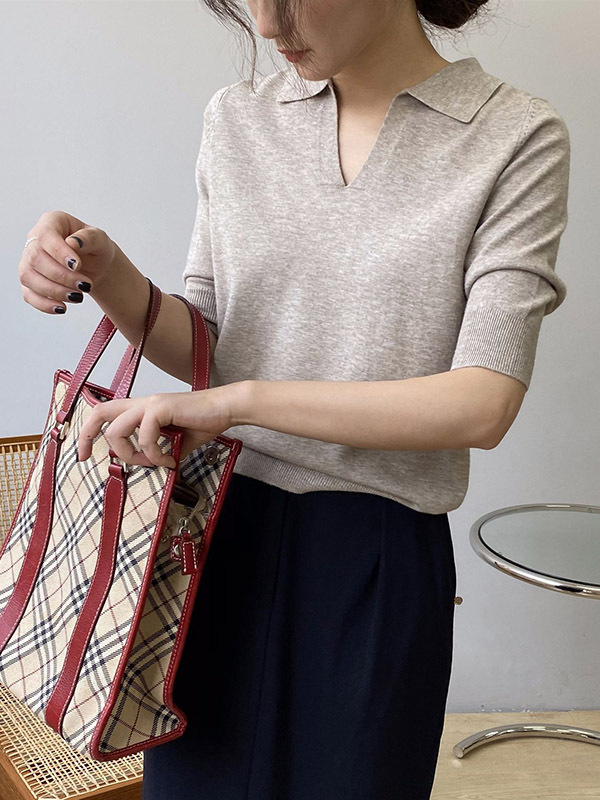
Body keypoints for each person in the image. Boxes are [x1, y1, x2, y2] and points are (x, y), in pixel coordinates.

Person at [17, 0, 571, 797]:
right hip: (207, 541)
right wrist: (105, 274)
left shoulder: (511, 136)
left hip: (375, 556)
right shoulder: (238, 117)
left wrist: (237, 404)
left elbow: (482, 403)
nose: (267, 26)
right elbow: (209, 340)